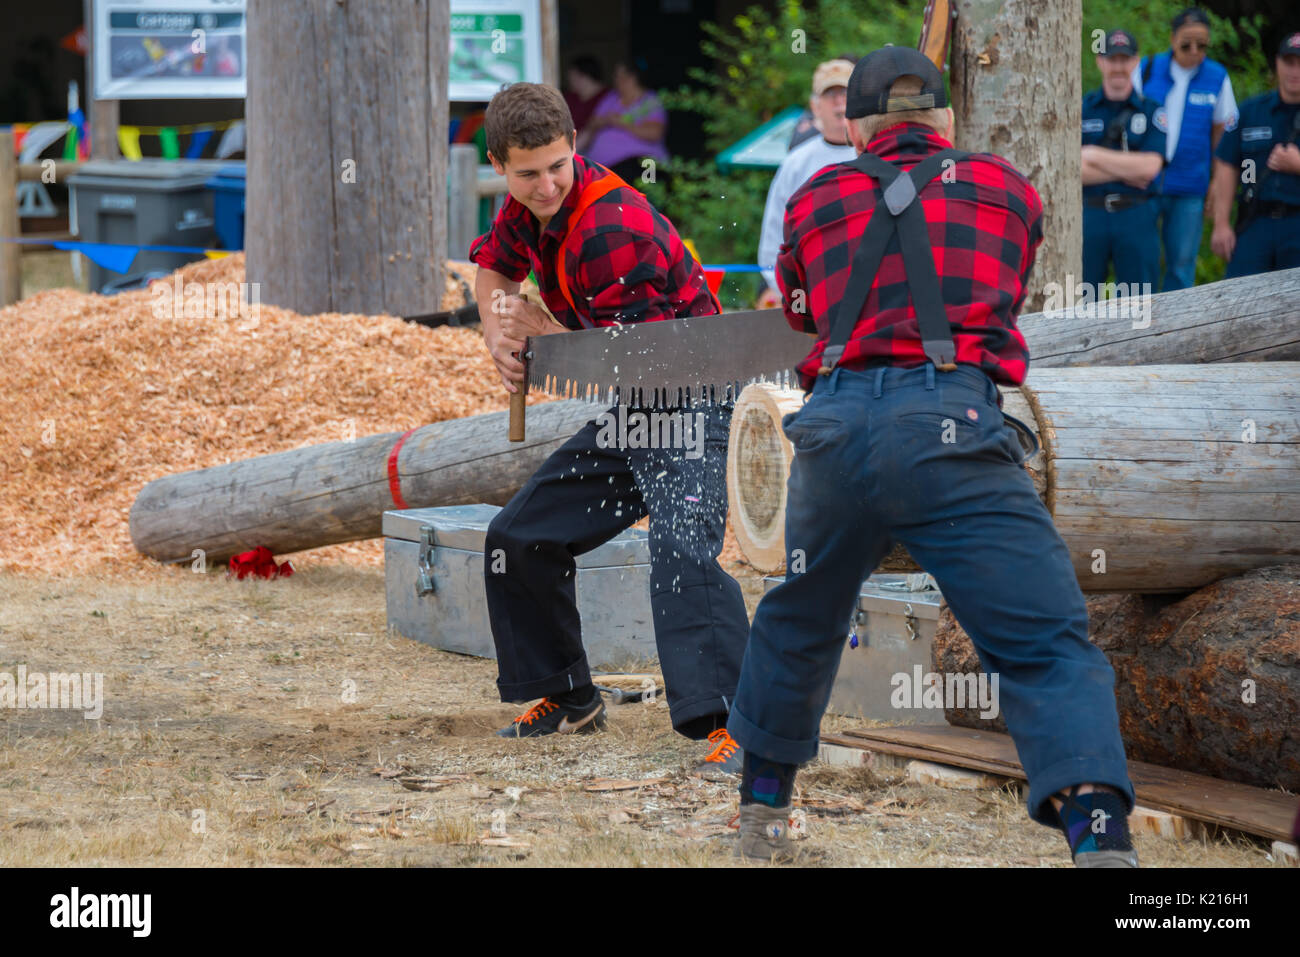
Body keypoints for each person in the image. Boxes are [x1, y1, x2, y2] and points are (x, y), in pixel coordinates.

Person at [726, 47, 1138, 867]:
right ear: (946, 120)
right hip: (950, 428)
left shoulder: (813, 199)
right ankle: (1100, 839)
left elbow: (803, 314)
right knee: (1043, 642)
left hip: (835, 432)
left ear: (853, 127)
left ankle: (762, 808)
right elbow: (1003, 289)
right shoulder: (1008, 190)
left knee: (799, 620)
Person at [468, 82, 748, 777]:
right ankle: (568, 695)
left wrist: (548, 339)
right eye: (528, 173)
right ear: (499, 164)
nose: (547, 184)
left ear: (574, 147)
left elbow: (646, 367)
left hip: (692, 398)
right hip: (642, 401)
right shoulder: (525, 207)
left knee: (683, 550)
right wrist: (499, 336)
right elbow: (495, 270)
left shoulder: (609, 229)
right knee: (518, 537)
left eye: (558, 166)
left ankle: (742, 727)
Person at [1132, 7, 1239, 291]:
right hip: (1144, 183)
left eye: (1202, 45)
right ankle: (1135, 324)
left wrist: (1217, 182)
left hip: (1190, 184)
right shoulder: (1147, 69)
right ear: (1172, 38)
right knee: (1140, 259)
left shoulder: (1216, 77)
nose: (1194, 51)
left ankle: (1175, 330)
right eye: (1186, 43)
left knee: (1181, 263)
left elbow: (1223, 134)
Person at [758, 58, 857, 294]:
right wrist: (791, 295)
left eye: (845, 93)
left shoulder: (875, 154)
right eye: (830, 94)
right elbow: (772, 239)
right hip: (809, 292)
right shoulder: (795, 163)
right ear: (815, 107)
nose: (839, 103)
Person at [1081, 30, 1169, 291]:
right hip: (1090, 214)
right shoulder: (1081, 109)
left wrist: (1093, 155)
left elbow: (1151, 167)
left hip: (1136, 214)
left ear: (1135, 62)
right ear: (1100, 61)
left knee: (1140, 304)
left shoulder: (1152, 110)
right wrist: (1129, 168)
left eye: (1124, 59)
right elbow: (1072, 170)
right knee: (1080, 300)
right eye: (1112, 59)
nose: (1118, 67)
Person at [1209, 32, 1300, 277]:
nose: (1295, 71)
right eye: (1289, 62)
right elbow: (1227, 164)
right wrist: (1221, 223)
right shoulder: (1250, 111)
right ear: (1277, 64)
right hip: (1255, 222)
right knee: (1237, 301)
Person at [576, 59, 669, 185]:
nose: (617, 79)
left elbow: (654, 133)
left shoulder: (650, 100)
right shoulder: (610, 99)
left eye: (621, 75)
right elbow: (591, 126)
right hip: (606, 168)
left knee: (641, 193)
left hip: (643, 163)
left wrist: (620, 122)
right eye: (616, 75)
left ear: (634, 77)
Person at [563, 56, 606, 136]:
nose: (569, 79)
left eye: (572, 75)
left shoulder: (609, 98)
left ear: (584, 75)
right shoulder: (570, 97)